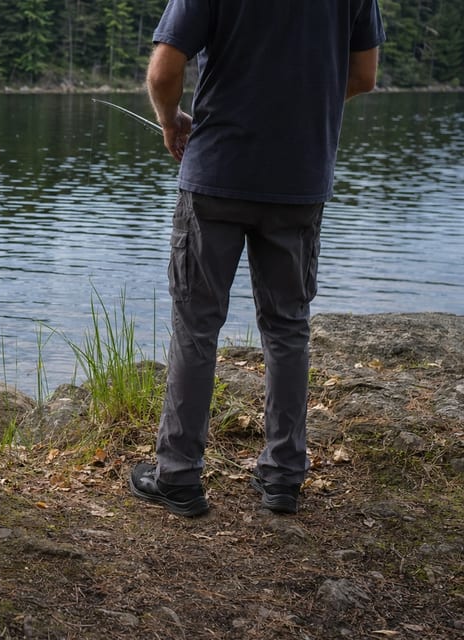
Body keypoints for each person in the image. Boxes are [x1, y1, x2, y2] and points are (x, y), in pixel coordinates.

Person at [128, 0, 385, 517]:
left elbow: (163, 71)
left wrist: (170, 120)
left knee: (196, 326)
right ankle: (284, 477)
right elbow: (363, 75)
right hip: (300, 180)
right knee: (288, 326)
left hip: (218, 175)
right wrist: (302, 107)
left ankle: (178, 476)